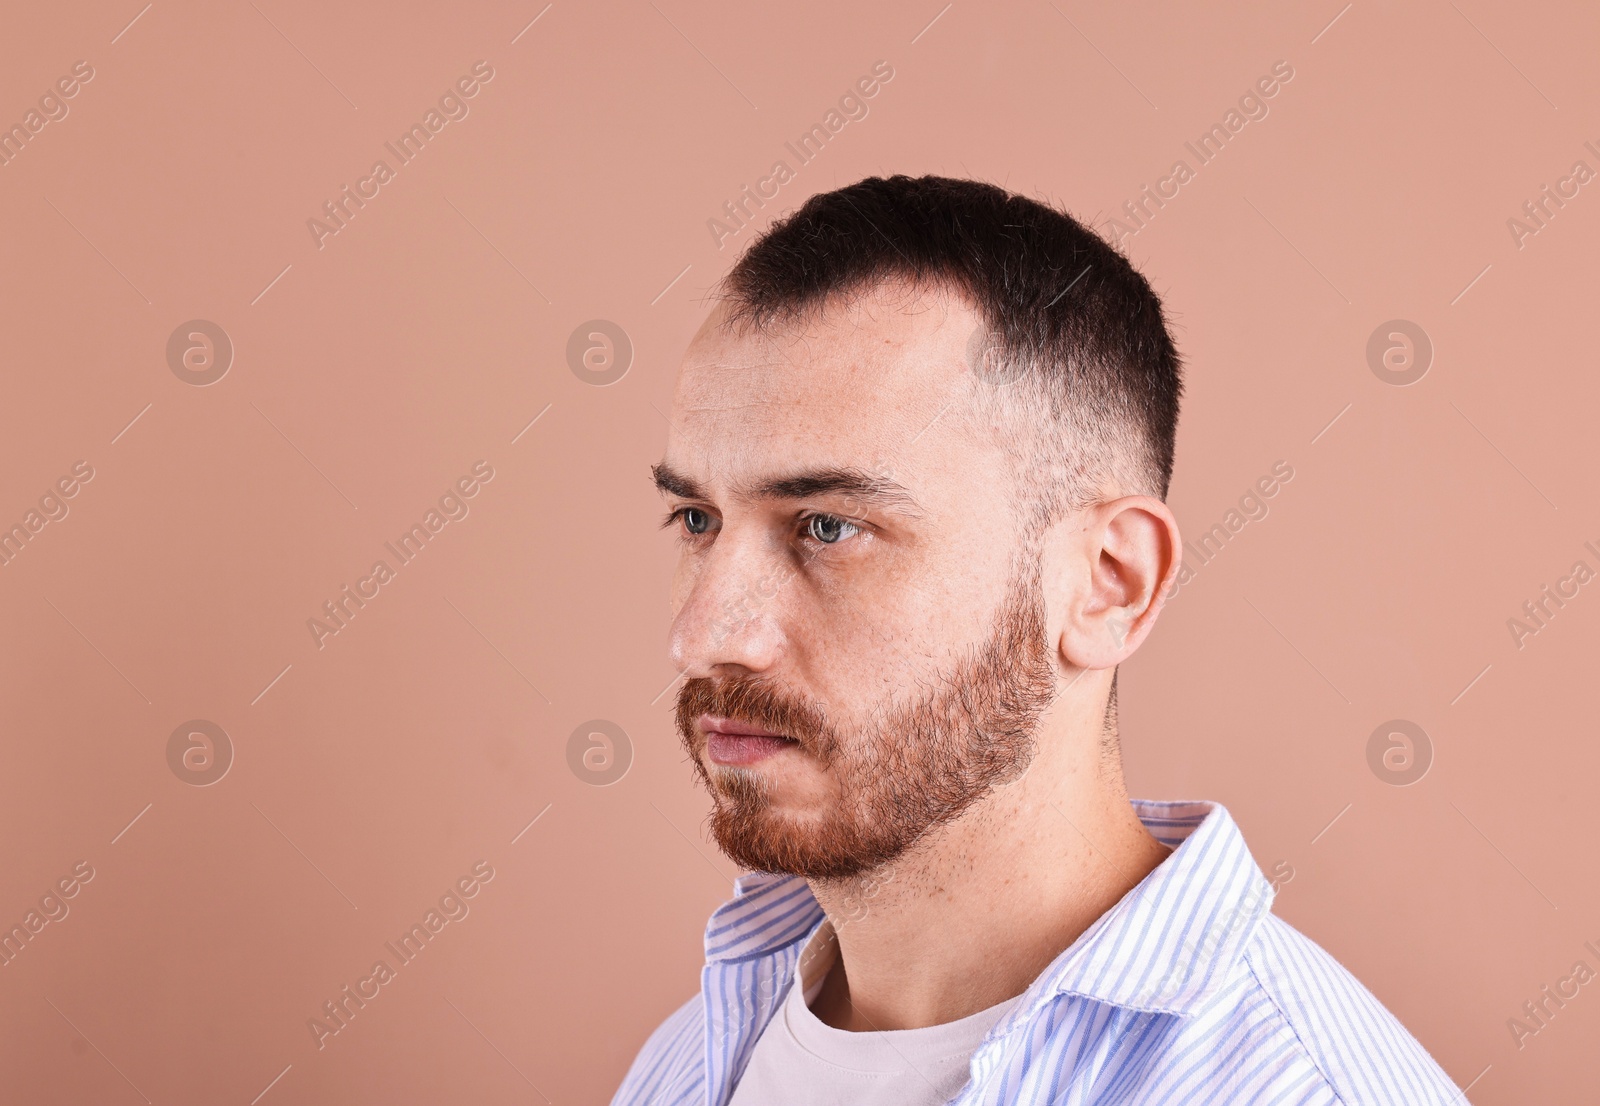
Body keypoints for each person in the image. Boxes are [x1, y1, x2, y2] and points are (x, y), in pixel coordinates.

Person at [614, 175, 1465, 1105]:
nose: (702, 637)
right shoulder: (694, 1054)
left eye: (827, 526)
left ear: (1109, 585)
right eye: (697, 520)